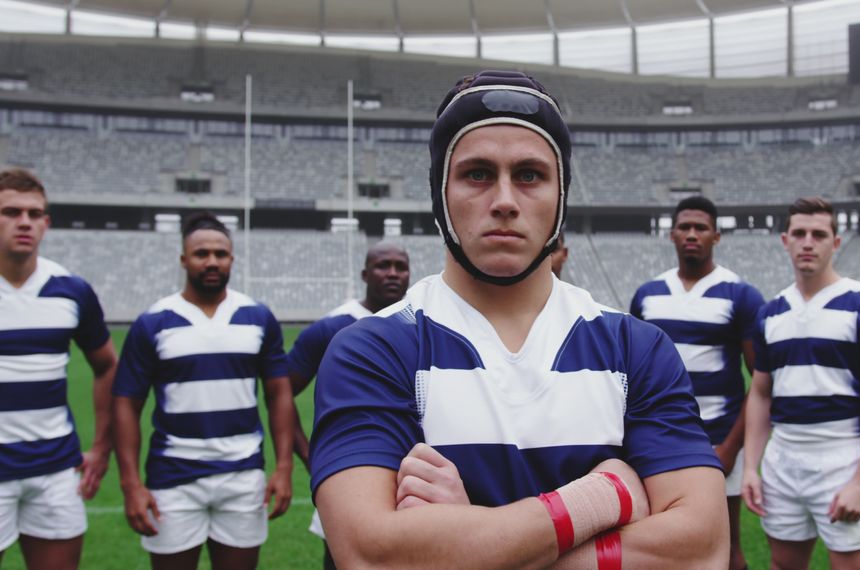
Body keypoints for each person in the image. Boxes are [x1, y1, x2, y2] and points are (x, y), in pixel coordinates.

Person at [309, 70, 728, 568]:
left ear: (561, 195)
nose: (505, 201)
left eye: (529, 175)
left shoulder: (637, 348)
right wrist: (603, 498)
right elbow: (372, 555)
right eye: (477, 174)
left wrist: (471, 548)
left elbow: (701, 551)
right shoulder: (373, 349)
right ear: (440, 193)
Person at [112, 212, 297, 570]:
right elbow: (126, 403)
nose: (211, 261)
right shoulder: (154, 321)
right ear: (184, 259)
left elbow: (279, 394)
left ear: (231, 259)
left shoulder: (257, 317)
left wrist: (284, 467)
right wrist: (130, 483)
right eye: (201, 254)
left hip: (243, 475)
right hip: (173, 477)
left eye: (220, 253)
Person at [741, 197, 860, 570]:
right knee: (783, 564)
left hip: (842, 457)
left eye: (819, 234)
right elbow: (761, 394)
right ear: (785, 241)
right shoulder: (770, 313)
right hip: (783, 458)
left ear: (836, 242)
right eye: (799, 233)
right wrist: (752, 466)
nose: (807, 242)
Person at [630, 195, 764, 570]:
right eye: (684, 227)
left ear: (716, 236)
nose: (692, 234)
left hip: (718, 441)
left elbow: (761, 383)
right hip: (658, 440)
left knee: (727, 549)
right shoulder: (647, 294)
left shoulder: (741, 295)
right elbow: (633, 375)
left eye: (701, 228)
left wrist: (732, 448)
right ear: (671, 235)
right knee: (657, 547)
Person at [0, 167, 118, 570]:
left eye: (35, 214)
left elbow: (106, 366)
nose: (25, 222)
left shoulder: (72, 290)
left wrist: (102, 447)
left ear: (46, 223)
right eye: (11, 212)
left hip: (54, 469)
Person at [287, 241, 410, 569]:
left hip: (414, 475)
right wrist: (305, 453)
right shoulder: (332, 326)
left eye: (401, 266)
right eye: (384, 266)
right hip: (350, 477)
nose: (393, 274)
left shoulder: (419, 321)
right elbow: (281, 392)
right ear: (365, 274)